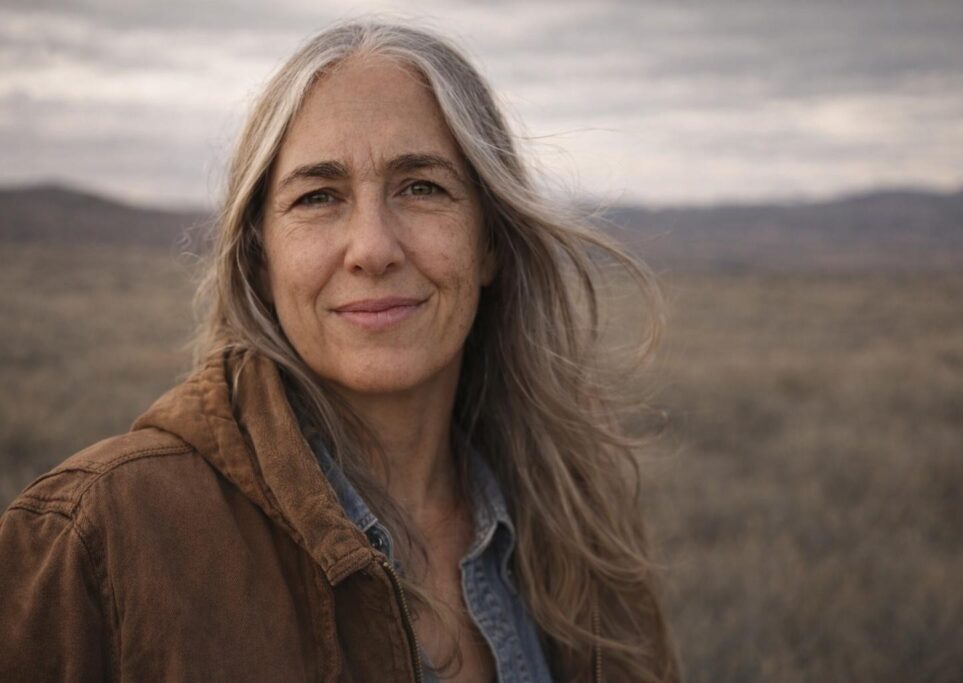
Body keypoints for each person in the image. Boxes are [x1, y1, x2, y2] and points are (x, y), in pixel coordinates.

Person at [0, 20, 678, 683]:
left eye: (421, 187)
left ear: (491, 242)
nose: (373, 248)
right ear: (261, 259)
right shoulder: (95, 538)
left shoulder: (578, 518)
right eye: (319, 196)